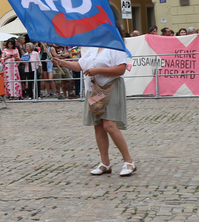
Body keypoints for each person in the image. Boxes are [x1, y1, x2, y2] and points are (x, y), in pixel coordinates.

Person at [52, 46, 136, 177]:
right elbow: (79, 66)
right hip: (94, 90)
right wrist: (61, 62)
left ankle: (128, 161)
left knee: (109, 125)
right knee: (98, 126)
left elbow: (121, 69)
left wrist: (97, 70)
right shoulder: (93, 48)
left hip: (110, 87)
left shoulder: (115, 47)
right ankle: (105, 163)